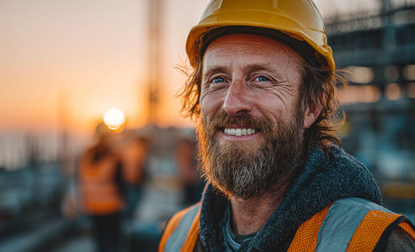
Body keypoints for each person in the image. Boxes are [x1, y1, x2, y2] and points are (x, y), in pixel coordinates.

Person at [159, 0, 414, 251]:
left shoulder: (372, 242)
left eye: (261, 78)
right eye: (217, 80)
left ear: (311, 106)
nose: (231, 103)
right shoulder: (178, 235)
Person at [79, 123, 126, 252]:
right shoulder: (114, 156)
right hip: (111, 206)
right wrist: (125, 199)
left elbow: (80, 179)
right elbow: (120, 182)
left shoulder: (87, 155)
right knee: (113, 241)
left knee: (100, 241)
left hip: (93, 206)